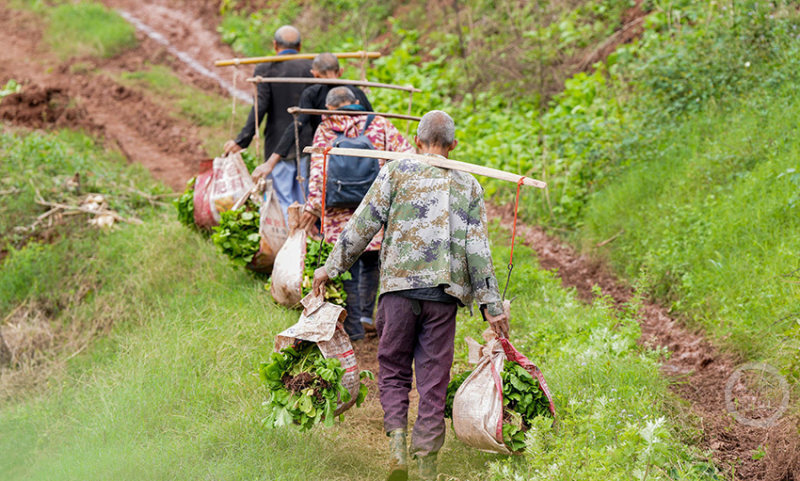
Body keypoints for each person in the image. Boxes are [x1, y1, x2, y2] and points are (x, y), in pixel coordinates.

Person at [312, 110, 510, 481]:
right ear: (453, 145)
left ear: (417, 141)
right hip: (442, 296)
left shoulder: (395, 172)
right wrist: (492, 305)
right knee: (433, 378)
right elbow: (478, 250)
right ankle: (427, 465)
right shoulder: (468, 184)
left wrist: (330, 267)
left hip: (397, 292)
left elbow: (363, 224)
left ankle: (397, 449)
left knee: (394, 369)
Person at [303, 86, 413, 342]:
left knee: (346, 267)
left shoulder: (326, 129)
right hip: (375, 210)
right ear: (355, 101)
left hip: (338, 214)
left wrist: (313, 207)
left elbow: (318, 172)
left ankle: (353, 326)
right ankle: (366, 316)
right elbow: (408, 158)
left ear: (329, 108)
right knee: (371, 263)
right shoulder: (379, 124)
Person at [223, 25, 312, 221]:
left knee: (282, 199)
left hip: (277, 145)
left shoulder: (266, 68)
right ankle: (305, 236)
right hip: (307, 142)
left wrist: (242, 140)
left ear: (275, 45)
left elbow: (260, 107)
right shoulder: (310, 67)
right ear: (300, 46)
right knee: (305, 196)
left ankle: (288, 236)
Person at [264, 53, 373, 172]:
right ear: (340, 71)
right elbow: (373, 122)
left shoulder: (312, 94)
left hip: (326, 155)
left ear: (315, 74)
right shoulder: (357, 92)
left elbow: (298, 124)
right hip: (359, 156)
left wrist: (271, 161)